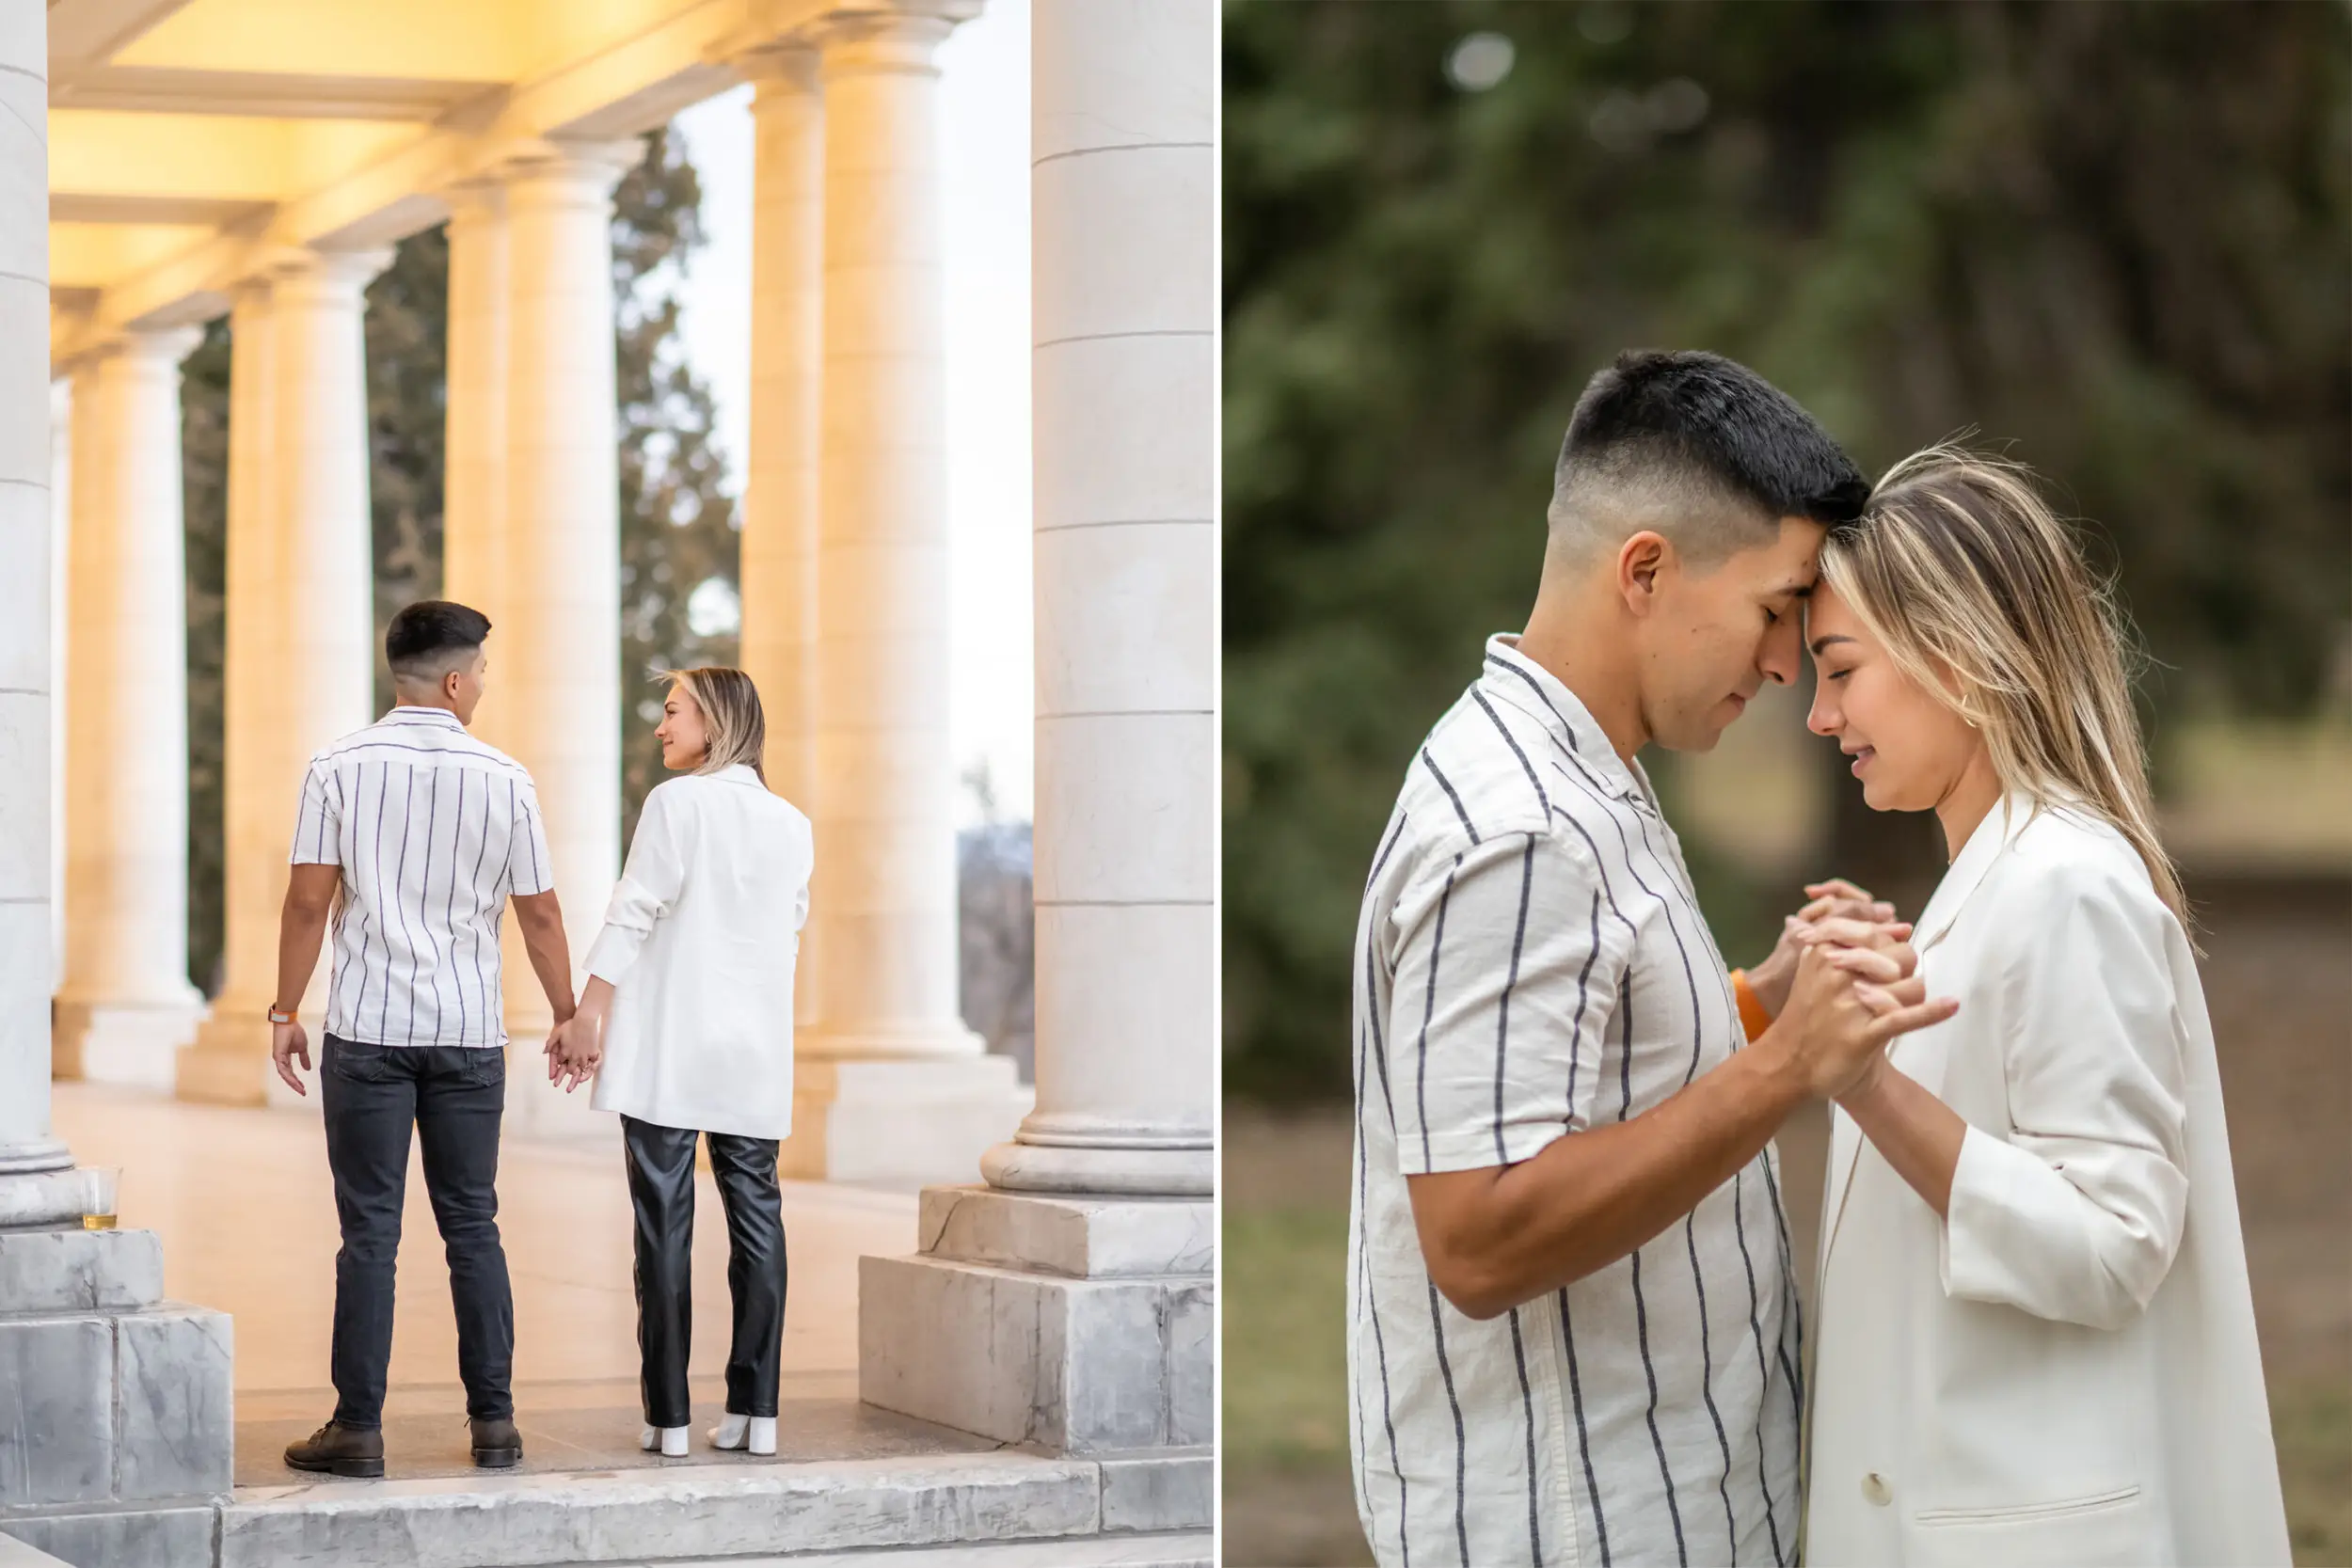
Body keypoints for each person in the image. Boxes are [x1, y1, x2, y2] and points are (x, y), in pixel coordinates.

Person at [1348, 349, 1955, 1567]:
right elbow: (1476, 1236)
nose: (1787, 664)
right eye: (1778, 606)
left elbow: (1579, 1078)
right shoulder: (1517, 825)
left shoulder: (1586, 769)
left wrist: (1744, 1004)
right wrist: (1783, 1065)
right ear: (1644, 570)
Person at [1785, 448, 2290, 1565]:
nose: (1820, 715)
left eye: (1841, 669)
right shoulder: (1994, 880)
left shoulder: (2067, 883)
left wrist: (1863, 1084)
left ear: (1955, 660)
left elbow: (2113, 1242)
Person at [272, 601, 578, 1478]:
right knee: (472, 1224)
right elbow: (541, 911)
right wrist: (563, 1012)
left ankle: (358, 1428)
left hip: (366, 1029)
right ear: (453, 680)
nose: (483, 684)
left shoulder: (336, 765)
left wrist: (284, 1009)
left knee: (370, 1232)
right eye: (480, 671)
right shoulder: (506, 777)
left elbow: (305, 902)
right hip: (468, 1032)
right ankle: (495, 1424)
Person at [548, 667, 812, 1459]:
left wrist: (586, 1010)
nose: (661, 727)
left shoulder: (677, 804)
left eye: (673, 712)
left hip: (670, 1043)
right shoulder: (792, 822)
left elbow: (635, 907)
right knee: (759, 1222)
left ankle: (667, 1418)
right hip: (754, 1049)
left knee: (662, 1227)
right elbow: (786, 930)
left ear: (716, 719)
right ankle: (756, 1412)